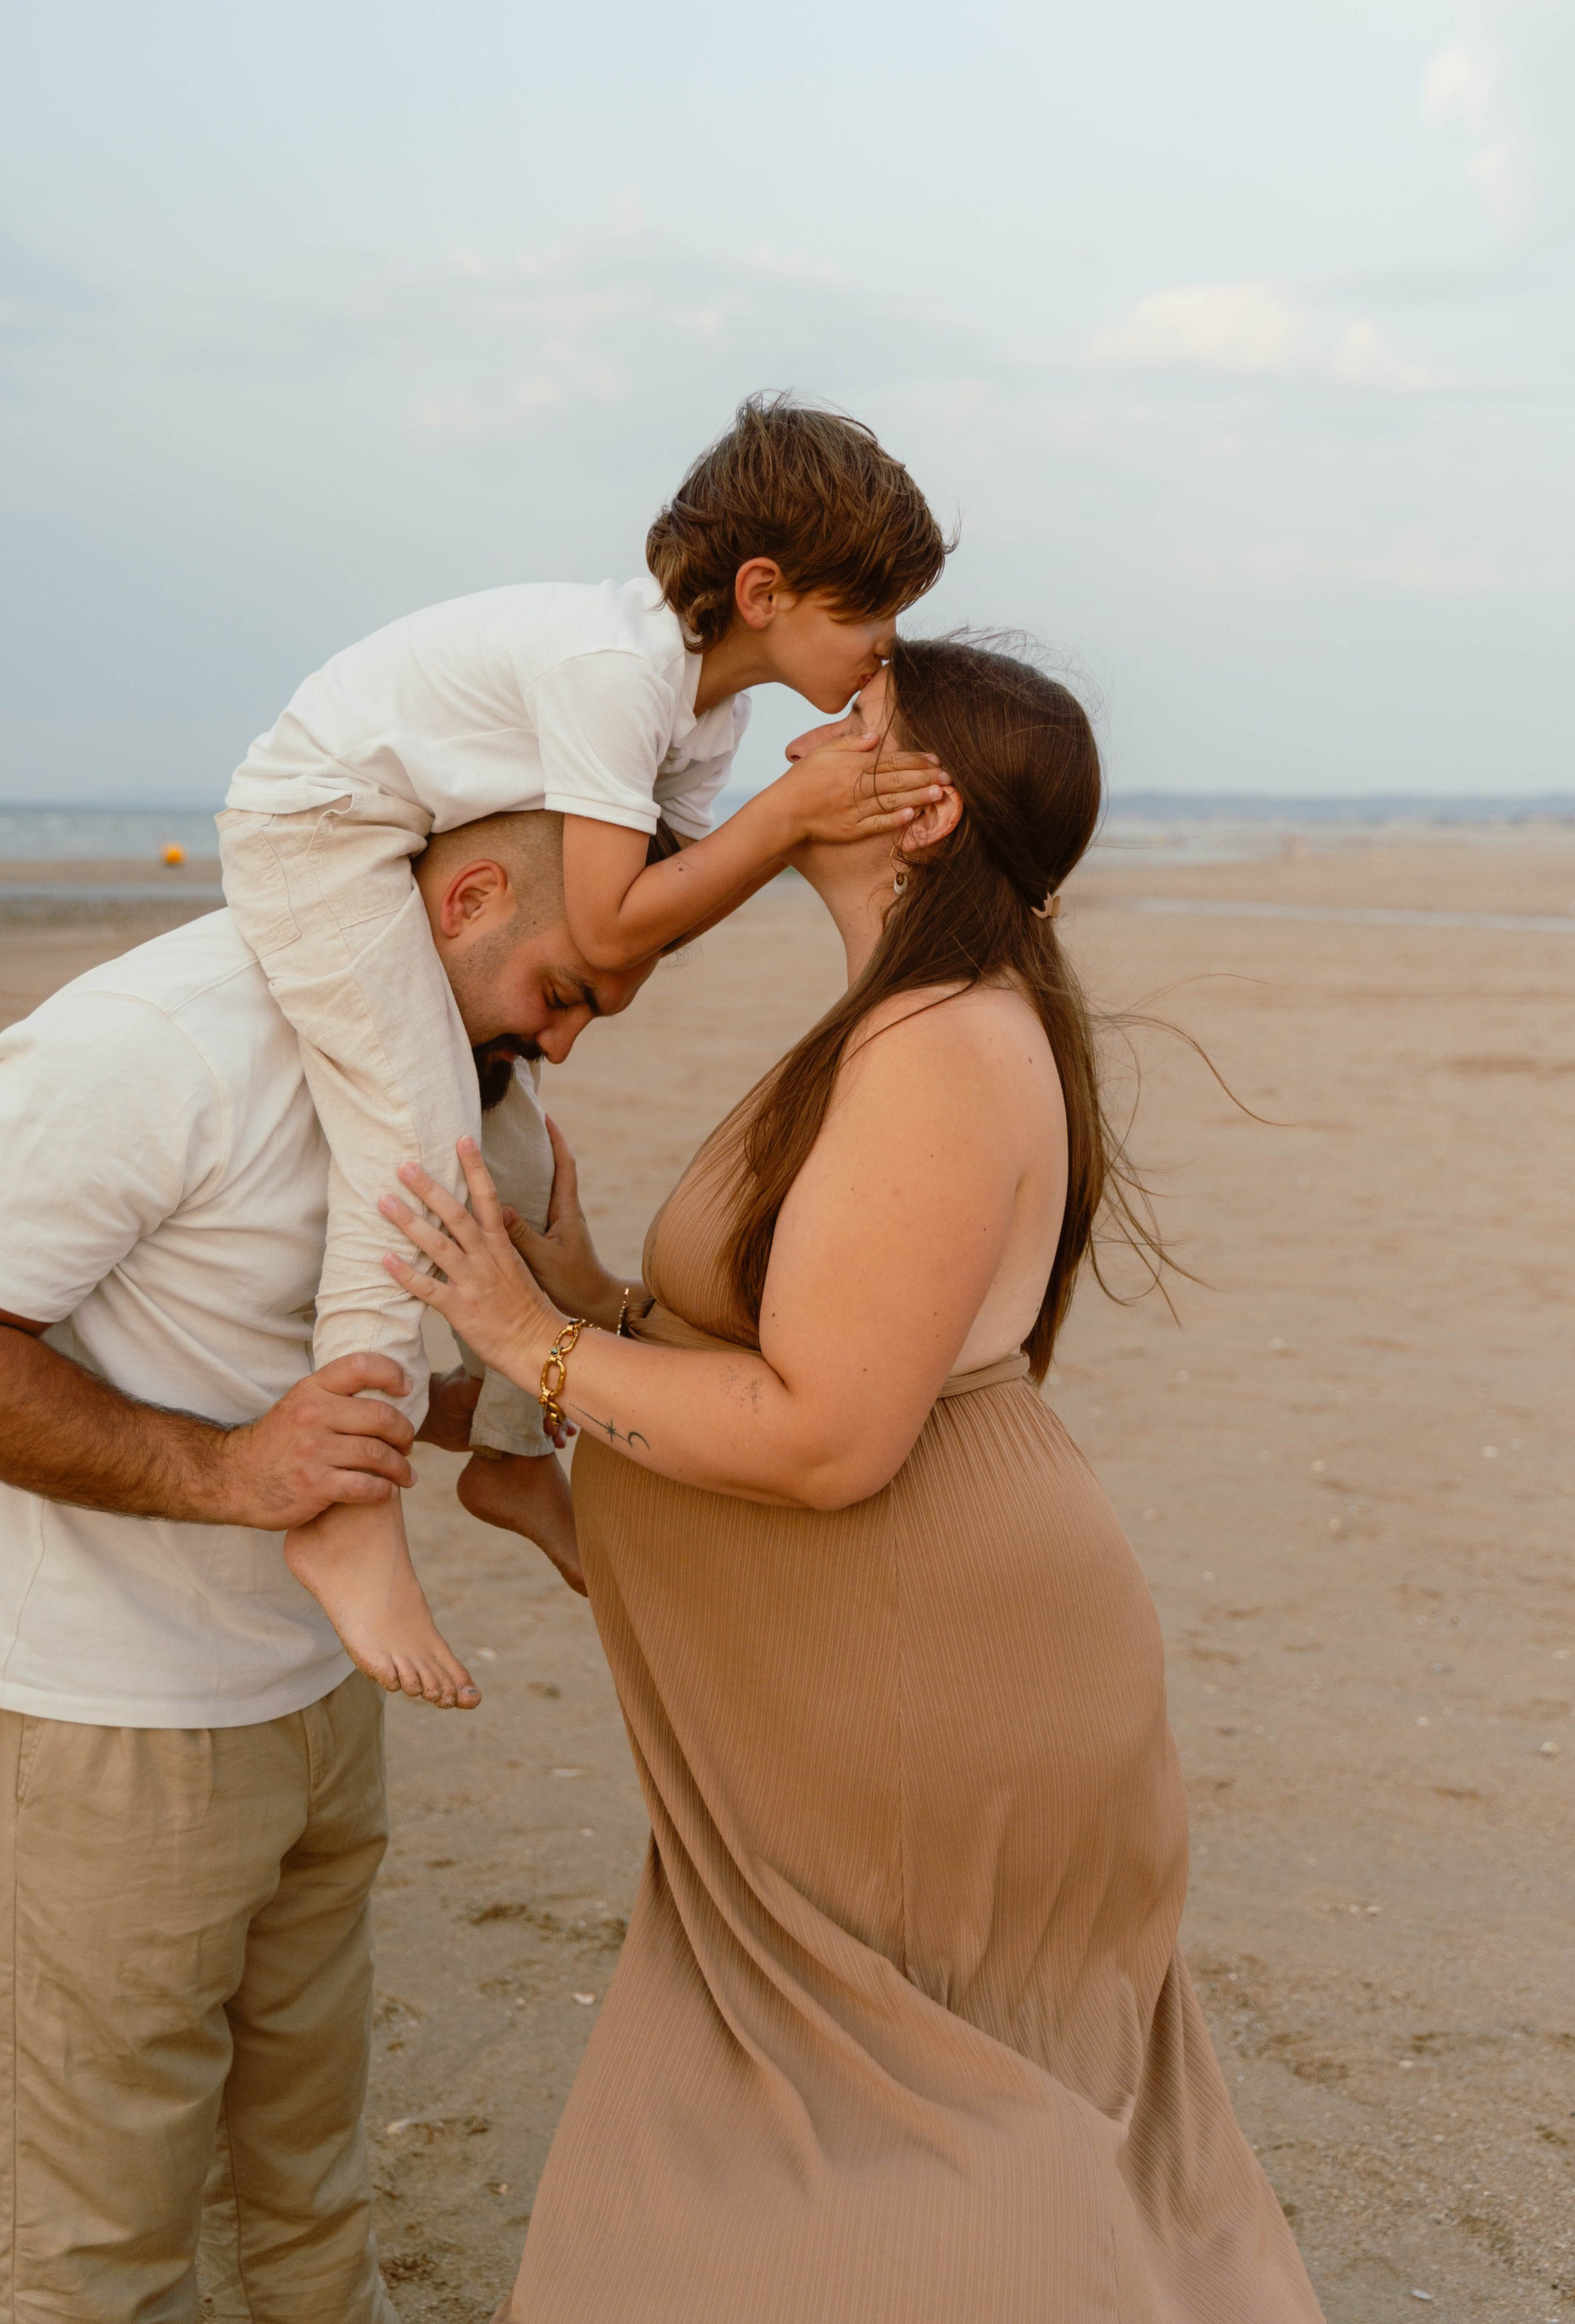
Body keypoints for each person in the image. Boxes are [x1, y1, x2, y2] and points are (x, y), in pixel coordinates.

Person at [375, 641, 1327, 2324]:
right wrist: (591, 1296)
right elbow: (803, 1337)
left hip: (918, 1681)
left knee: (909, 2125)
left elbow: (828, 1434)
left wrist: (539, 1347)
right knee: (870, 2112)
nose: (807, 739)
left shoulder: (941, 1048)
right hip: (882, 1670)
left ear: (920, 805)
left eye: (855, 726)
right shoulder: (907, 1022)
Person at [0, 813, 651, 2324]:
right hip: (104, 1724)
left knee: (311, 2195)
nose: (560, 1038)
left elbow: (307, 1373)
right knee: (96, 2252)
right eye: (557, 990)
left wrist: (528, 1389)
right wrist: (231, 1475)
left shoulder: (473, 1082)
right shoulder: (152, 1041)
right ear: (468, 894)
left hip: (322, 1692)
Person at [218, 395, 952, 1704]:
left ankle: (509, 1454)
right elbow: (615, 915)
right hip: (321, 830)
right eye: (867, 616)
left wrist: (776, 824)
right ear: (765, 589)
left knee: (505, 1146)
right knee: (415, 1140)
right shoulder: (618, 675)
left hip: (421, 845)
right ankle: (341, 1518)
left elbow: (621, 947)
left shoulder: (702, 717)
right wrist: (789, 814)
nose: (885, 647)